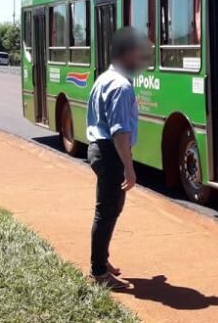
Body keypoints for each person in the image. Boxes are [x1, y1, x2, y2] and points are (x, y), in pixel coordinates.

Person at [85, 27, 147, 289]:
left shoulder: (105, 78)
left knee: (110, 209)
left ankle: (102, 261)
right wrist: (129, 168)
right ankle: (99, 273)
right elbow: (120, 132)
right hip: (110, 153)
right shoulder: (121, 86)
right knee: (107, 211)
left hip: (99, 149)